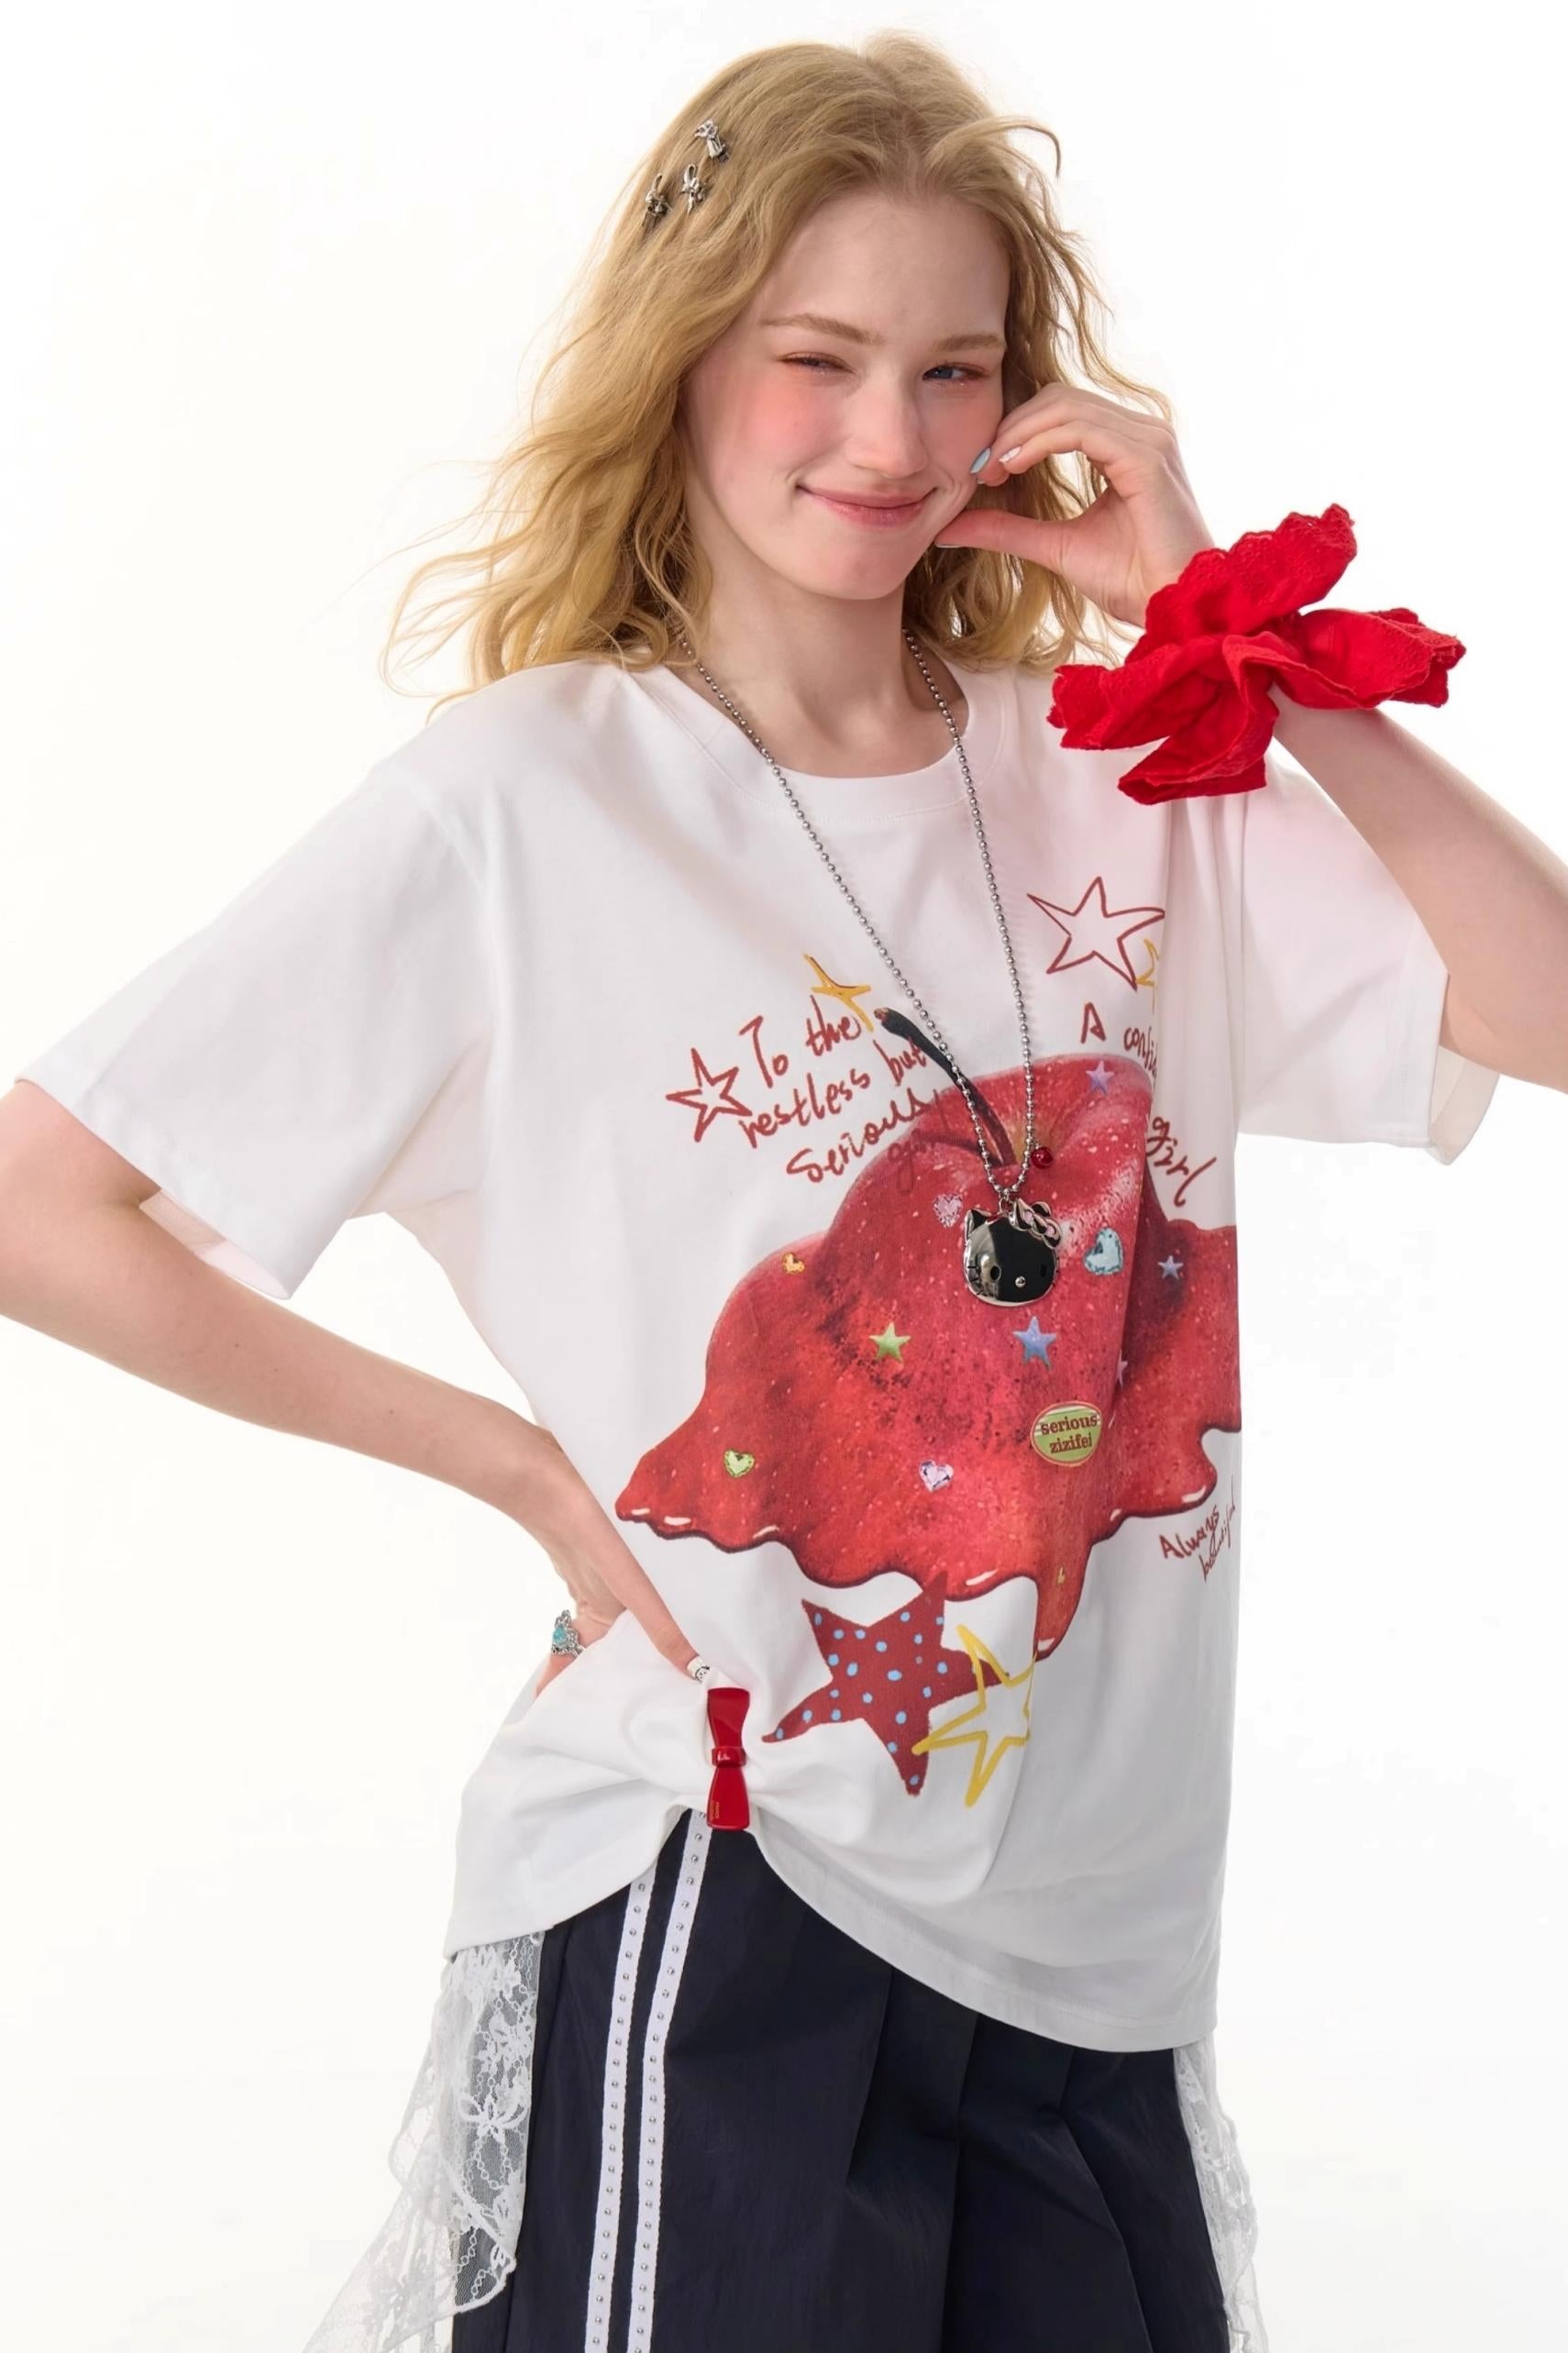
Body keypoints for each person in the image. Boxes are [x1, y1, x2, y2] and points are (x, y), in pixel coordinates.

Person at [5, 28, 1559, 2353]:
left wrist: (1230, 629)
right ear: (687, 359)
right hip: (727, 1881)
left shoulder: (1124, 772)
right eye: (816, 358)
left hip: (1101, 1939)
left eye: (955, 368)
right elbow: (42, 1197)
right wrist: (527, 1471)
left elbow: (1543, 1004)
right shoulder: (529, 805)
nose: (890, 437)